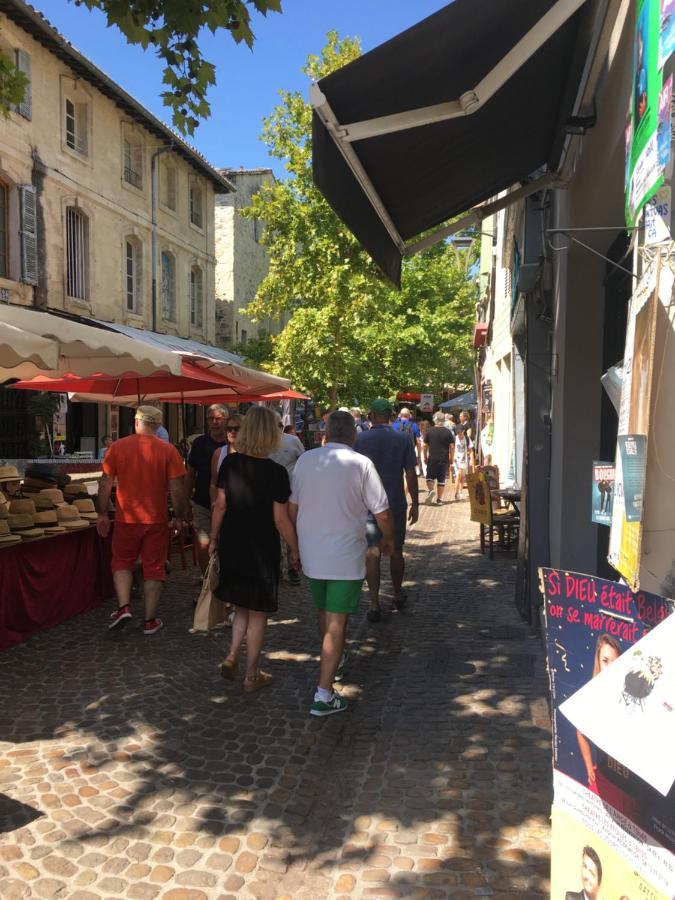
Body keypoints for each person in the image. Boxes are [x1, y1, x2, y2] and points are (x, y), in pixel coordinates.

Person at [289, 410, 394, 717]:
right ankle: (324, 693)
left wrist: (296, 543)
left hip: (312, 551)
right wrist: (388, 539)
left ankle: (336, 660)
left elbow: (293, 508)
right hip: (344, 553)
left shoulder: (307, 460)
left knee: (324, 614)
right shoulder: (361, 463)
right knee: (337, 624)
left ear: (325, 432)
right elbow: (383, 512)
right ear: (353, 434)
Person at [209, 406, 299, 694]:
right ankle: (251, 674)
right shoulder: (276, 473)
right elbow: (280, 519)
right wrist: (295, 549)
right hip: (262, 546)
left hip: (233, 541)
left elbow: (220, 505)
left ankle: (233, 654)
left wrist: (213, 537)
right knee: (258, 611)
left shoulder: (230, 464)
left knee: (241, 606)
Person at [96, 406, 186, 635]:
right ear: (158, 426)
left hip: (127, 517)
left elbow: (105, 483)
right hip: (156, 519)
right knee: (154, 568)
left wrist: (103, 513)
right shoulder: (168, 451)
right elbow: (177, 489)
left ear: (136, 422)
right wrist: (179, 516)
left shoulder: (117, 447)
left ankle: (124, 606)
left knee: (121, 562)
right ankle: (150, 621)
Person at [355, 398, 418, 623]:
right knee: (396, 550)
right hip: (395, 503)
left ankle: (374, 603)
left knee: (372, 552)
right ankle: (398, 594)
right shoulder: (402, 438)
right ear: (390, 416)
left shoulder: (360, 439)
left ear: (371, 415)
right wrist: (416, 502)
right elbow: (410, 472)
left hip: (368, 504)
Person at [184, 404, 228, 575]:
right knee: (203, 544)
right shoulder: (200, 443)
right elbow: (190, 474)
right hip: (202, 502)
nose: (215, 422)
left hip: (226, 504)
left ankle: (223, 581)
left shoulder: (232, 443)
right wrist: (186, 502)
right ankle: (206, 581)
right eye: (211, 419)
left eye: (219, 418)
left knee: (225, 543)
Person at [269, 414, 305, 585]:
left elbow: (303, 461)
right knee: (273, 531)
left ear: (281, 425)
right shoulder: (261, 442)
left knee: (289, 528)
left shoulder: (292, 441)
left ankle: (293, 567)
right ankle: (275, 566)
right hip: (268, 494)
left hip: (290, 493)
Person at [209, 413, 242, 504]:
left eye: (236, 429)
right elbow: (213, 483)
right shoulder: (219, 453)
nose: (232, 431)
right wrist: (213, 504)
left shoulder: (251, 453)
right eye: (229, 429)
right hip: (222, 508)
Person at [424, 411, 455, 504]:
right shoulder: (448, 432)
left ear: (435, 420)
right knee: (441, 479)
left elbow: (425, 446)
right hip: (444, 459)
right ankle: (440, 499)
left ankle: (431, 490)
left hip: (432, 458)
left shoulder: (429, 431)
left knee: (430, 477)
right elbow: (452, 446)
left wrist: (425, 456)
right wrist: (451, 457)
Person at [453, 425, 472, 501]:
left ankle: (460, 492)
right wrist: (451, 459)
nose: (459, 434)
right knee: (458, 475)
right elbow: (451, 448)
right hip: (457, 460)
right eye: (458, 433)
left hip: (464, 460)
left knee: (462, 478)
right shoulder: (455, 438)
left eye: (460, 433)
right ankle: (456, 492)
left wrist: (472, 464)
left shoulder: (467, 439)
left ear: (463, 431)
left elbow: (470, 450)